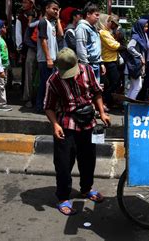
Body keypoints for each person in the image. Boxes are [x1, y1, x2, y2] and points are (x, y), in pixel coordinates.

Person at [44, 48, 111, 216]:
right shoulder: (53, 81)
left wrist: (102, 112)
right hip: (66, 123)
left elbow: (96, 92)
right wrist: (55, 125)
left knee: (89, 159)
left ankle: (86, 188)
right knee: (63, 163)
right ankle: (62, 197)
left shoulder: (87, 70)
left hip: (88, 122)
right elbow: (49, 107)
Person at [36, 0, 63, 113]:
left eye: (57, 10)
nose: (56, 11)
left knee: (49, 84)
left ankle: (46, 106)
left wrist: (58, 19)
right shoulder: (43, 22)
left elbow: (61, 35)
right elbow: (43, 40)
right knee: (45, 84)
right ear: (46, 9)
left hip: (52, 59)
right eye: (54, 9)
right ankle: (40, 107)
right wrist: (48, 58)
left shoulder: (51, 23)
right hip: (45, 59)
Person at [16, 0, 39, 108]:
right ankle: (27, 97)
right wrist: (20, 47)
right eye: (23, 2)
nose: (24, 4)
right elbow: (20, 34)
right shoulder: (21, 17)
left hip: (39, 48)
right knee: (28, 73)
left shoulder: (38, 15)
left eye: (26, 2)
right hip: (29, 46)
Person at [98, 14, 124, 106]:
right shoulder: (103, 32)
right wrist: (124, 47)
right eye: (108, 21)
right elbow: (113, 45)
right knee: (115, 82)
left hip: (111, 59)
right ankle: (105, 100)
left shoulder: (107, 32)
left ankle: (108, 101)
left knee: (111, 83)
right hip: (108, 61)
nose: (110, 23)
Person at [75, 2, 104, 81]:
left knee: (96, 90)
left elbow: (96, 47)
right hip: (88, 65)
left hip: (96, 64)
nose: (98, 18)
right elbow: (81, 48)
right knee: (89, 90)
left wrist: (101, 63)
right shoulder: (82, 28)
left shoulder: (93, 28)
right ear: (88, 14)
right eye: (96, 15)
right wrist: (85, 66)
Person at [126, 18, 148, 99]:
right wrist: (139, 55)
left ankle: (127, 104)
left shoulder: (140, 36)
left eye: (147, 26)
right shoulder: (136, 37)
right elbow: (129, 47)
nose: (146, 28)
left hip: (136, 65)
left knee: (132, 86)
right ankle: (131, 104)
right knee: (138, 86)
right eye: (144, 27)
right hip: (135, 65)